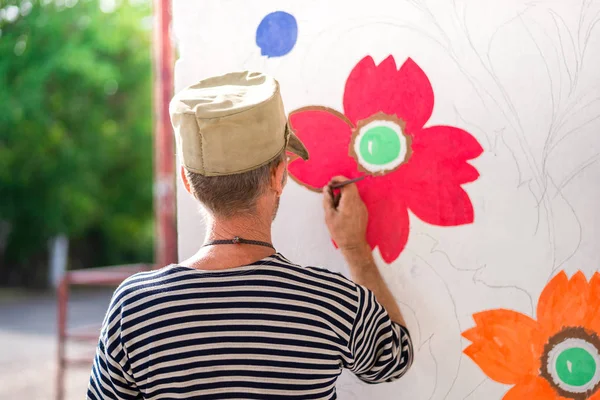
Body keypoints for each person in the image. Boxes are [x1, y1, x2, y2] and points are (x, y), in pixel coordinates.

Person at [87, 71, 413, 400]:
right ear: (279, 175)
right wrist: (355, 247)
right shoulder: (333, 304)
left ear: (187, 182)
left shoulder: (134, 307)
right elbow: (396, 358)